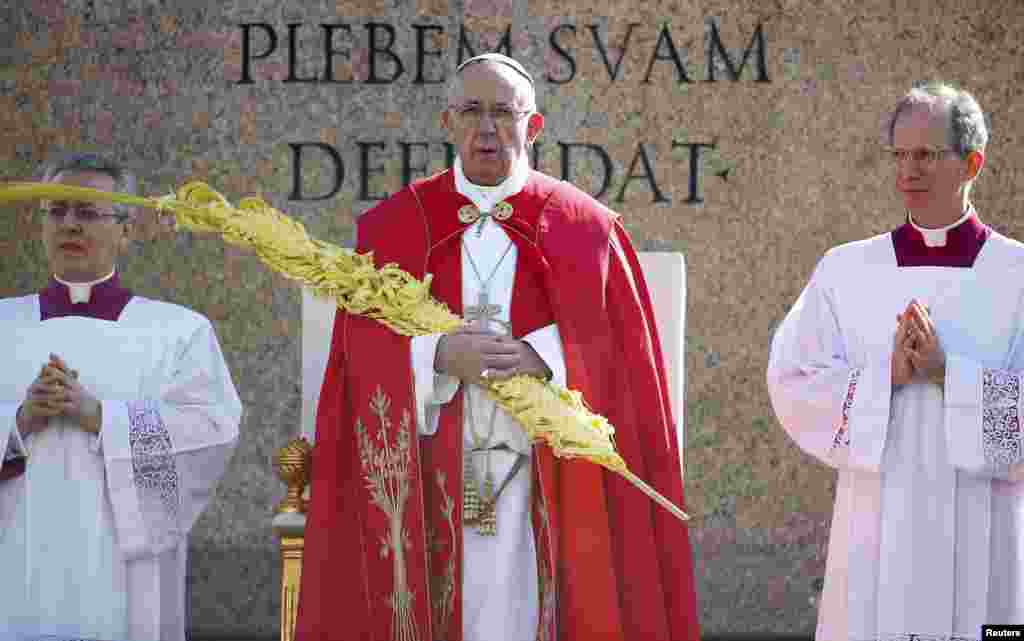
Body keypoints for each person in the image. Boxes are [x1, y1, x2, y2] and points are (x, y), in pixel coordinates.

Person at [296, 53, 699, 641]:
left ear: (532, 126)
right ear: (447, 123)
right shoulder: (395, 228)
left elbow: (624, 354)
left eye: (504, 112)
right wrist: (435, 354)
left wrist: (549, 357)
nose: (487, 128)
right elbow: (358, 353)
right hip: (428, 469)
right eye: (471, 111)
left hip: (545, 479)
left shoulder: (585, 229)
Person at [767, 82, 1024, 639]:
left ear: (972, 163)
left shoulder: (1017, 275)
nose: (910, 169)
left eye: (928, 154)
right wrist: (885, 375)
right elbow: (793, 381)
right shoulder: (846, 270)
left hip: (988, 531)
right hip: (876, 529)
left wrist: (947, 375)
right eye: (901, 155)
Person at [0, 153, 242, 641]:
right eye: (56, 210)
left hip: (124, 566)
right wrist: (20, 421)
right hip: (17, 554)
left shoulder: (178, 332)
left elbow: (211, 435)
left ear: (126, 231)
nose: (70, 224)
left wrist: (103, 417)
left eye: (88, 212)